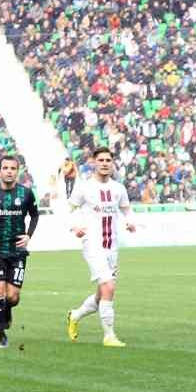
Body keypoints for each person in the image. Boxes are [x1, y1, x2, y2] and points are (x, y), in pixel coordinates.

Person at [64, 148, 134, 348]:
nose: (105, 163)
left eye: (108, 160)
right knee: (109, 286)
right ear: (93, 162)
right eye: (101, 160)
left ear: (112, 163)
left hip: (112, 246)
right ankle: (109, 335)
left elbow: (127, 209)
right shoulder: (84, 187)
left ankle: (75, 315)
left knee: (102, 292)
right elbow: (67, 210)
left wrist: (130, 221)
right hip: (92, 244)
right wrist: (74, 226)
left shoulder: (119, 188)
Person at [0, 154, 40, 348]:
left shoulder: (26, 194)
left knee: (12, 297)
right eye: (5, 168)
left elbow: (35, 216)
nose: (9, 171)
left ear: (17, 171)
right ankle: (1, 334)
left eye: (13, 168)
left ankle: (6, 309)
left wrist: (28, 235)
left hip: (17, 252)